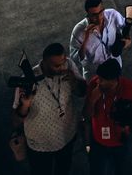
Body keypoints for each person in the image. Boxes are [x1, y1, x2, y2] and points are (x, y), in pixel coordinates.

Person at [15, 43, 85, 175]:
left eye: (63, 62)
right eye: (57, 66)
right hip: (40, 145)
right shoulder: (28, 80)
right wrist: (25, 104)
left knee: (63, 170)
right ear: (45, 63)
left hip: (67, 137)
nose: (62, 67)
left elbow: (82, 92)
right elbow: (16, 119)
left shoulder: (68, 65)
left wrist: (74, 82)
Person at [84, 59, 132, 175]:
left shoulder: (130, 89)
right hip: (98, 140)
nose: (98, 82)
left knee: (122, 169)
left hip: (120, 141)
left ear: (113, 81)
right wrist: (92, 100)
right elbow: (86, 115)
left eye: (102, 80)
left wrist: (127, 123)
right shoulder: (94, 85)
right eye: (98, 78)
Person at [71, 0, 132, 79]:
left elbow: (124, 28)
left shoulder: (112, 15)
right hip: (94, 73)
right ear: (88, 14)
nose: (99, 18)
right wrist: (86, 37)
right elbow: (76, 58)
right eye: (94, 15)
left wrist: (125, 41)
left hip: (115, 66)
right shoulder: (78, 31)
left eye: (101, 12)